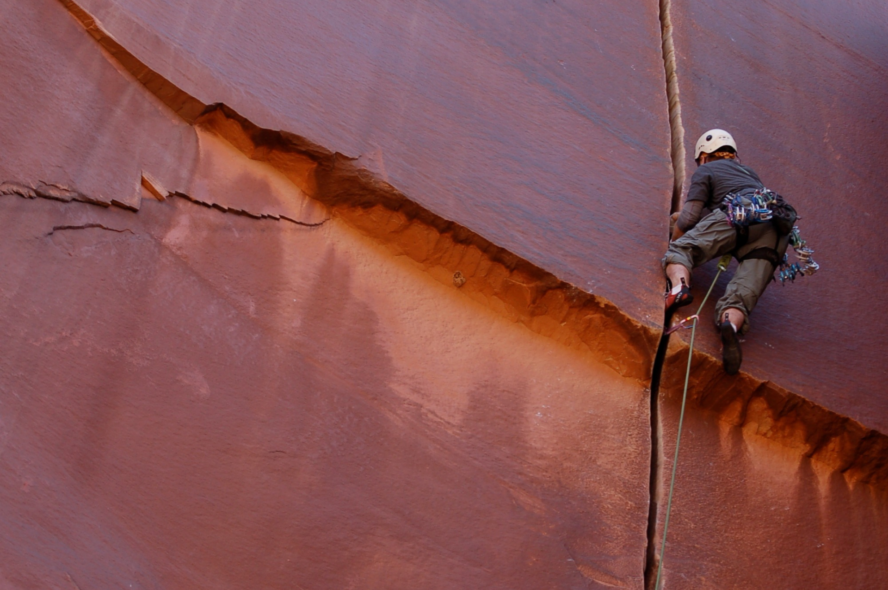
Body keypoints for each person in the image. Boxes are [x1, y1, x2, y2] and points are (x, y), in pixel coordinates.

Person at [662, 129, 789, 375]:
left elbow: (689, 219)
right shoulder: (749, 174)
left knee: (681, 251)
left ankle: (679, 288)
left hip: (739, 212)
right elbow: (713, 217)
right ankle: (729, 324)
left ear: (704, 156)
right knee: (741, 293)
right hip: (775, 230)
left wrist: (675, 240)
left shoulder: (706, 170)